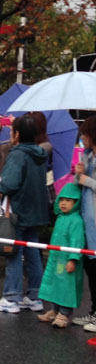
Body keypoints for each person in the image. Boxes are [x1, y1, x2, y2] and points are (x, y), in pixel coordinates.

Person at [0, 115, 49, 313]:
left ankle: (11, 297)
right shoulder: (40, 153)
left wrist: (1, 183)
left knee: (13, 252)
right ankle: (34, 296)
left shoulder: (18, 154)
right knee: (33, 253)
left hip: (19, 211)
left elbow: (11, 183)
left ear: (18, 134)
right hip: (37, 210)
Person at [37, 183, 85, 328]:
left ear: (76, 203)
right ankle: (55, 310)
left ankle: (64, 313)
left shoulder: (76, 221)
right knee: (55, 284)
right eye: (62, 199)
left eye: (69, 200)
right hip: (56, 259)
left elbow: (77, 241)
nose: (63, 203)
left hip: (67, 261)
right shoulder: (61, 217)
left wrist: (73, 259)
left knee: (67, 286)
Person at [73, 116, 96, 331]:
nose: (82, 138)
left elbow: (90, 184)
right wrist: (78, 174)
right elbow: (78, 185)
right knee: (90, 266)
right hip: (86, 219)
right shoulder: (87, 156)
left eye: (84, 134)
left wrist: (86, 180)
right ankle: (93, 312)